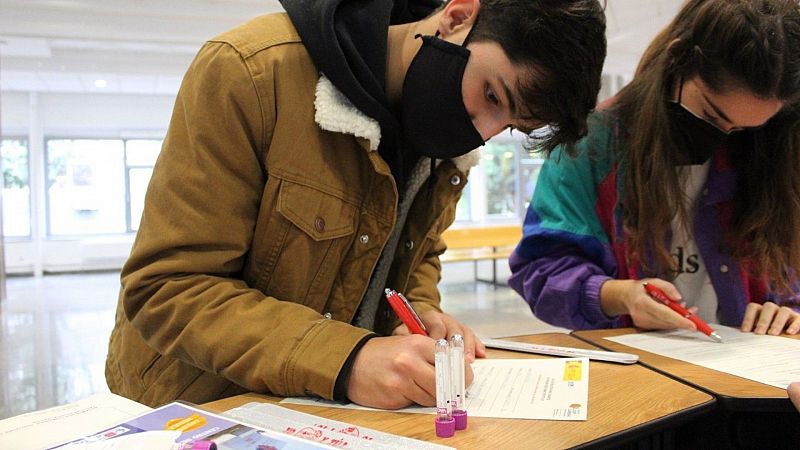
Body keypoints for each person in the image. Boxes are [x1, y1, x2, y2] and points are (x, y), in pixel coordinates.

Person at [105, 0, 607, 409]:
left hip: (318, 413)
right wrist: (348, 359)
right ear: (457, 17)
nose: (482, 131)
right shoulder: (252, 71)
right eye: (492, 95)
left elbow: (414, 257)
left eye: (509, 127)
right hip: (197, 409)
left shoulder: (446, 140)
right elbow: (168, 288)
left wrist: (420, 313)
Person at [509, 0, 800, 335]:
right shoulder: (592, 145)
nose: (724, 136)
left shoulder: (777, 147)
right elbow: (541, 271)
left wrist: (790, 313)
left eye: (746, 128)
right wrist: (621, 296)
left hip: (750, 370)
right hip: (643, 375)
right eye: (710, 114)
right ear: (677, 61)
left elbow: (790, 277)